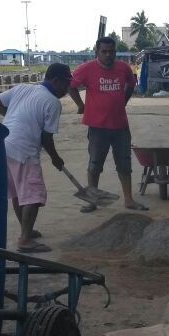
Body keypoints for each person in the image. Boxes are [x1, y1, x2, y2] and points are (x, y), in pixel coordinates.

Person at [0, 63, 72, 253]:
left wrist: (13, 117)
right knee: (33, 195)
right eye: (65, 84)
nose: (67, 89)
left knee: (19, 194)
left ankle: (26, 231)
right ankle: (25, 240)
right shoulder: (52, 102)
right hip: (24, 150)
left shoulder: (22, 88)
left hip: (5, 145)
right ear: (55, 80)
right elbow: (46, 138)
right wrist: (55, 158)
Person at [68, 37, 146, 213]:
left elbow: (131, 84)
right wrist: (81, 105)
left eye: (111, 51)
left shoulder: (123, 68)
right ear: (97, 52)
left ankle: (128, 200)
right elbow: (71, 86)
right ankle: (92, 201)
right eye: (104, 51)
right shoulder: (86, 69)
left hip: (120, 125)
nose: (108, 55)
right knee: (95, 164)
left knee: (124, 163)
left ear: (115, 52)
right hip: (97, 127)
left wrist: (123, 101)